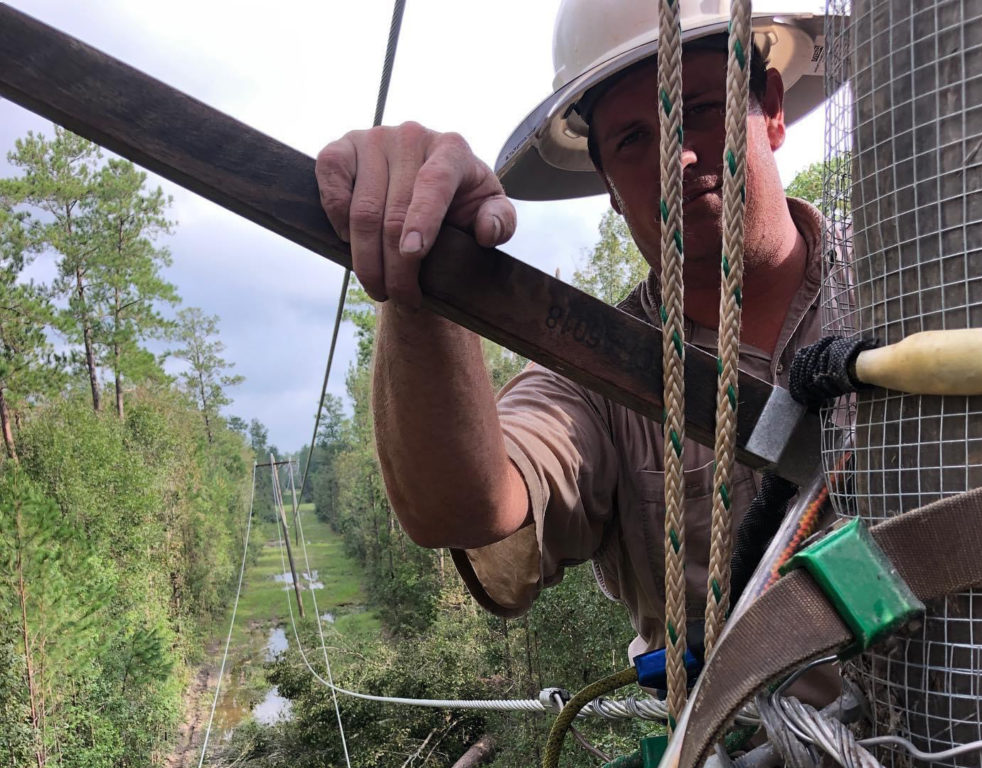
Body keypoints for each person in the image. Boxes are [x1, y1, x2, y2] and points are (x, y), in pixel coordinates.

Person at [315, 0, 831, 680]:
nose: (676, 155)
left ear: (769, 108)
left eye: (703, 108)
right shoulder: (599, 376)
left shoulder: (916, 281)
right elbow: (465, 505)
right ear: (609, 189)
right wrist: (426, 271)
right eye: (632, 140)